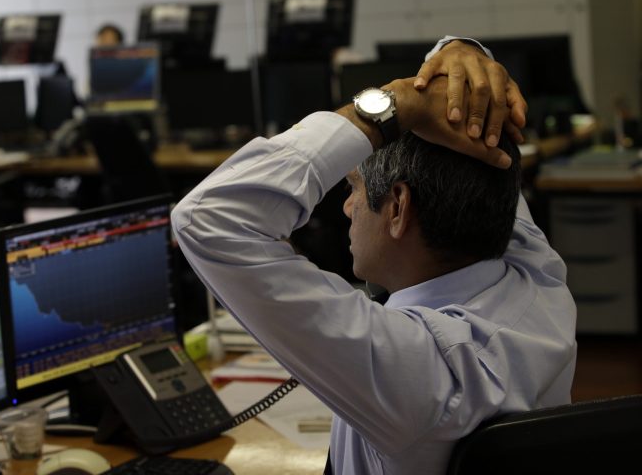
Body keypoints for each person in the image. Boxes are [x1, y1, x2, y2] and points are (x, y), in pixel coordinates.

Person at [170, 37, 577, 474]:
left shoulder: (412, 367)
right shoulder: (542, 281)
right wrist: (460, 48)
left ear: (398, 208)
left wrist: (389, 107)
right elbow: (478, 133)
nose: (347, 206)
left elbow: (207, 217)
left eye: (354, 188)